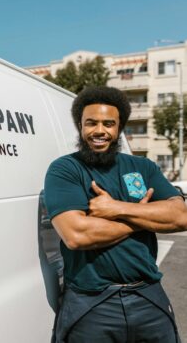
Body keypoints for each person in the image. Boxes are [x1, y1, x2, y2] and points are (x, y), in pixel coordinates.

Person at [44, 86, 187, 343]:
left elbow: (180, 216)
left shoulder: (143, 167)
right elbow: (77, 235)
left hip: (148, 296)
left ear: (119, 128)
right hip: (92, 303)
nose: (100, 130)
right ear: (80, 125)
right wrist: (145, 218)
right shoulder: (65, 169)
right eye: (92, 123)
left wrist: (116, 209)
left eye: (109, 124)